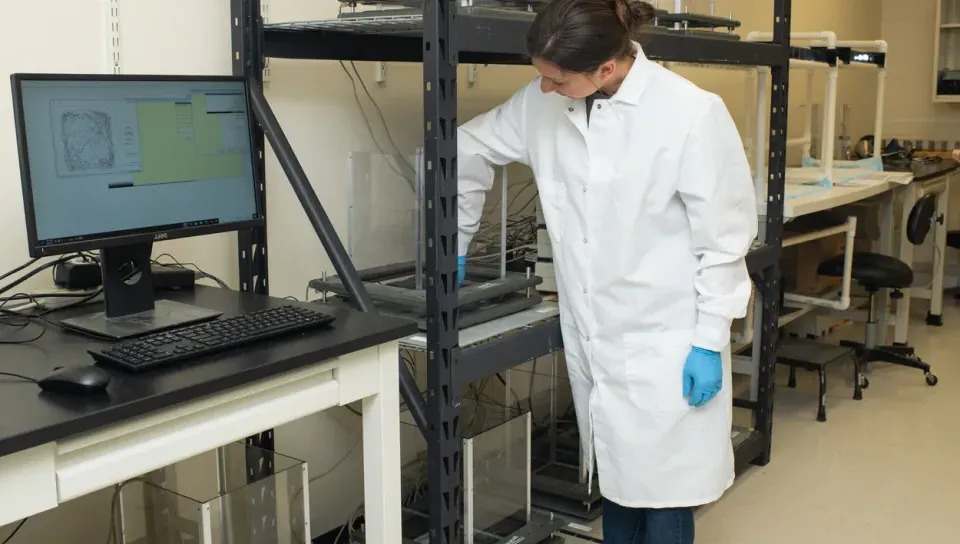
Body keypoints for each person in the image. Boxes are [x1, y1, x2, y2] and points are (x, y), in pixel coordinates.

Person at [455, 0, 757, 542]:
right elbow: (468, 146)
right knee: (618, 482)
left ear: (606, 69)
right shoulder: (541, 104)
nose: (544, 88)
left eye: (557, 79)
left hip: (669, 340)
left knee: (666, 494)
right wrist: (456, 236)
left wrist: (711, 339)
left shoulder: (689, 113)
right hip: (594, 336)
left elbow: (724, 242)